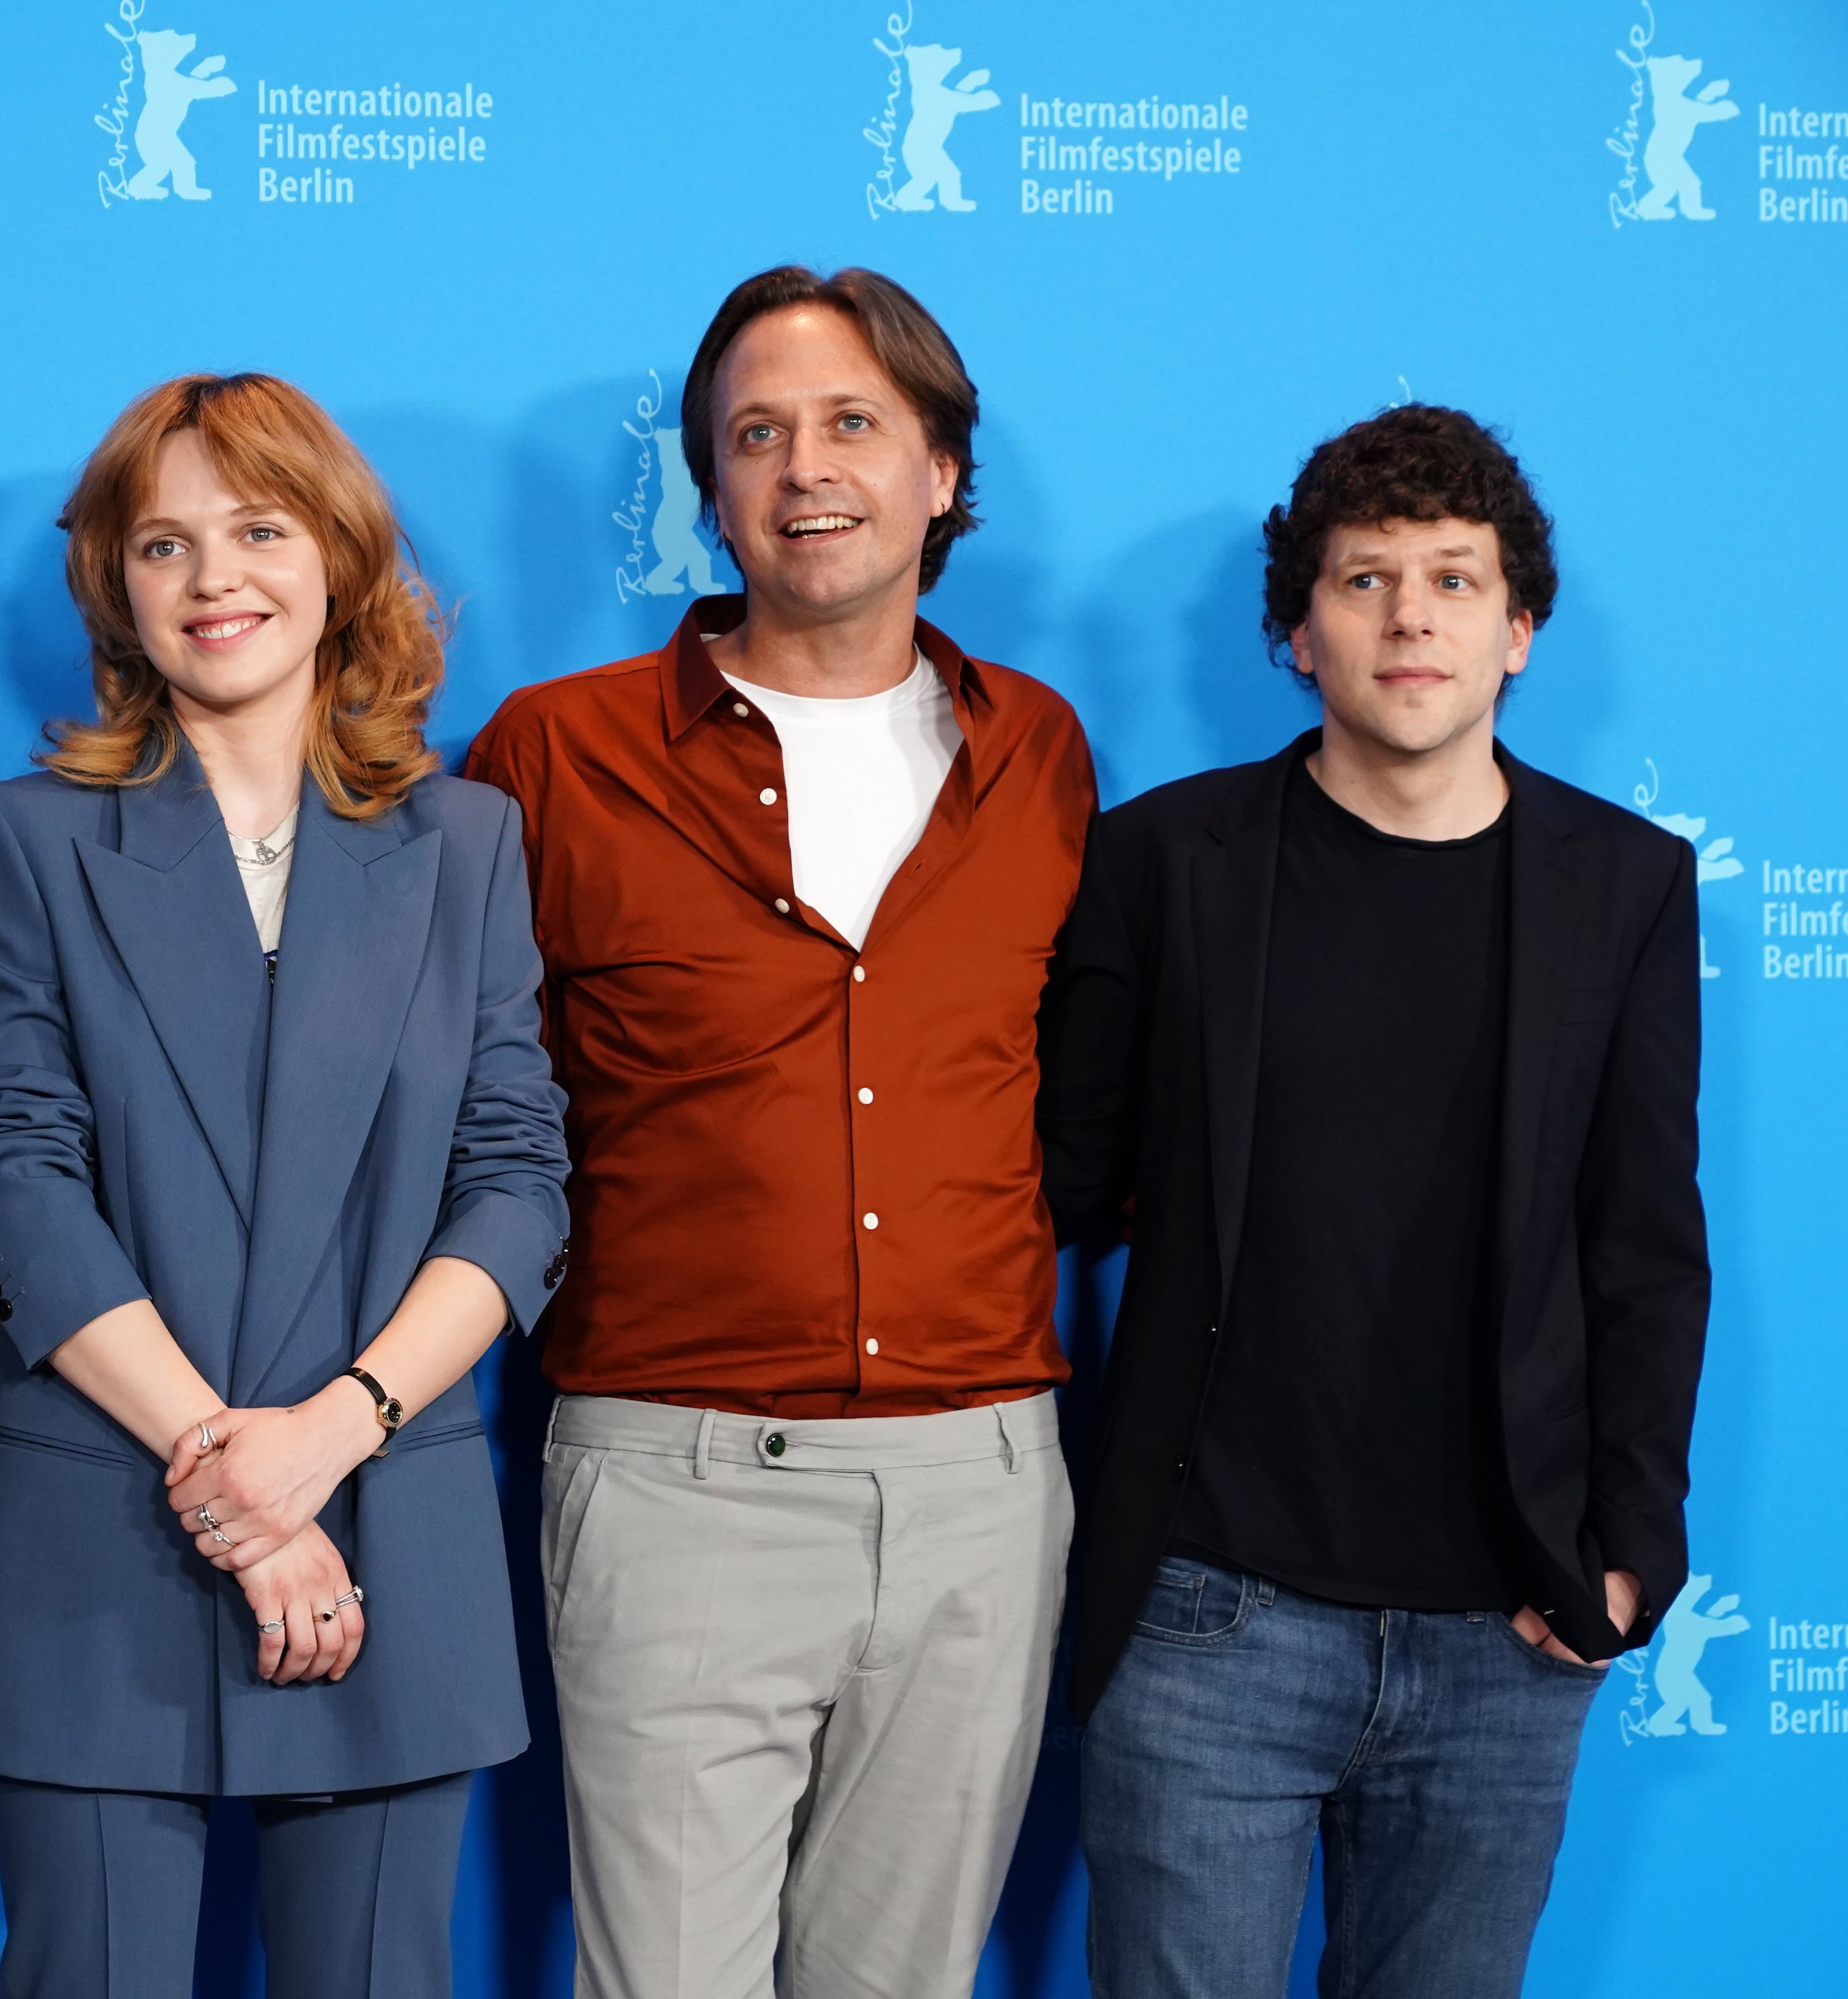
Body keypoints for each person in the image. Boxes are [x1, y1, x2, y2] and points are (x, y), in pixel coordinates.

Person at [466, 266, 1094, 1999]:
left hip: (980, 1488)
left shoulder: (1038, 753)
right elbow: (445, 1097)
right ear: (714, 488)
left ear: (943, 472)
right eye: (757, 434)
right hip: (675, 1482)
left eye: (850, 425)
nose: (805, 468)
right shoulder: (555, 753)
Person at [1040, 405, 1709, 1997]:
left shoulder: (1623, 888)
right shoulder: (1165, 861)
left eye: (1454, 580)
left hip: (1509, 1622)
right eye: (1364, 579)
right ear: (1297, 634)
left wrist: (1629, 1545)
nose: (1411, 615)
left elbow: (1645, 1244)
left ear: (1518, 633)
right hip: (1209, 1614)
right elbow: (1062, 1179)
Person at [0, 372, 570, 1999]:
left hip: (383, 1529)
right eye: (164, 544)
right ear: (117, 592)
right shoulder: (22, 842)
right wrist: (230, 1479)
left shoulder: (470, 844)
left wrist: (327, 1439)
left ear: (339, 559)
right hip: (99, 1529)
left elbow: (517, 1182)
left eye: (259, 529)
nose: (216, 578)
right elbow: (14, 1176)